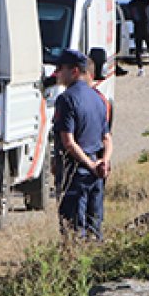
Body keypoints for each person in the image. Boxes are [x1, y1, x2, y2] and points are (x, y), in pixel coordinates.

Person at [52, 49, 113, 240]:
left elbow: (69, 142)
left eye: (61, 68)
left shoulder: (66, 99)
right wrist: (103, 161)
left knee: (73, 231)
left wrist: (90, 164)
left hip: (76, 171)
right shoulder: (98, 97)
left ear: (75, 71)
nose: (57, 73)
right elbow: (107, 138)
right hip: (95, 174)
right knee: (94, 229)